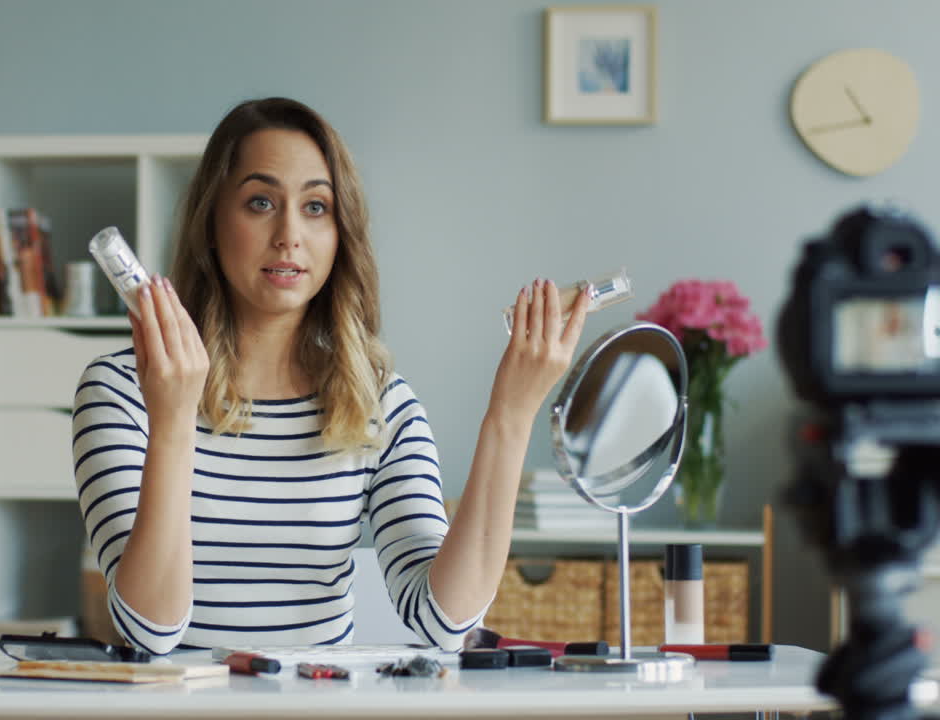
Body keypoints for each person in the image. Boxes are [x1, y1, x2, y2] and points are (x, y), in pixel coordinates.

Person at [72, 97, 589, 654]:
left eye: (316, 207)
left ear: (341, 233)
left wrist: (511, 415)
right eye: (261, 201)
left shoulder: (380, 402)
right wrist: (172, 418)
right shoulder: (121, 391)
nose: (289, 233)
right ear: (213, 224)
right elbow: (150, 628)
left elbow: (445, 621)